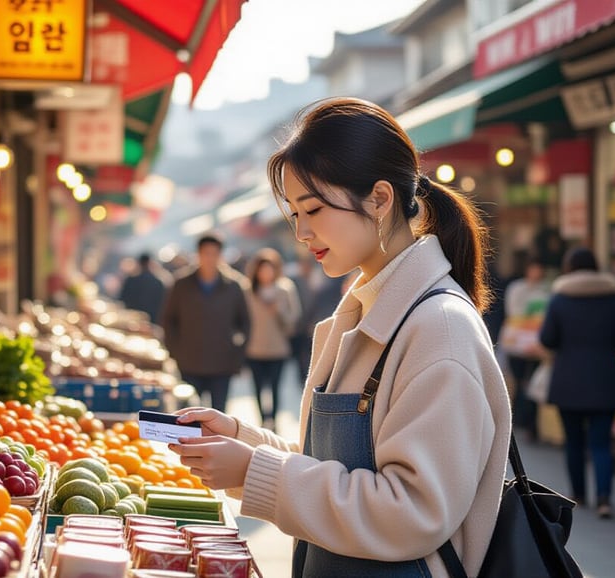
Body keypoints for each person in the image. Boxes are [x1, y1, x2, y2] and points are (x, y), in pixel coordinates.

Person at [169, 98, 511, 577]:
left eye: (313, 209)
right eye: (294, 214)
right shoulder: (365, 310)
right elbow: (334, 467)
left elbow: (412, 512)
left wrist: (253, 470)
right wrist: (245, 441)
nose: (302, 232)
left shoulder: (440, 329)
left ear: (380, 199)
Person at [539, 247, 615, 519]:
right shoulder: (613, 299)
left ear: (569, 268)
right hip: (605, 379)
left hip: (568, 381)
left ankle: (578, 495)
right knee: (602, 444)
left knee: (574, 442)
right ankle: (605, 499)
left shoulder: (559, 300)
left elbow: (547, 339)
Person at [162, 232, 250, 413]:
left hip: (222, 363)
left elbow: (245, 323)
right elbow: (168, 319)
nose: (210, 258)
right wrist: (175, 351)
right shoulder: (181, 284)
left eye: (214, 254)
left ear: (220, 255)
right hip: (189, 362)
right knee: (190, 415)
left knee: (218, 417)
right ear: (198, 254)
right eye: (205, 253)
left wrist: (237, 354)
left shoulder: (233, 286)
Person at [244, 248, 301, 431]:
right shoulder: (249, 291)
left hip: (278, 349)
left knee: (275, 388)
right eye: (262, 269)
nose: (265, 273)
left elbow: (294, 318)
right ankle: (262, 420)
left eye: (269, 269)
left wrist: (279, 312)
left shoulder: (285, 289)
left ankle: (274, 421)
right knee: (258, 388)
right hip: (255, 349)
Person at [502, 255, 550, 439]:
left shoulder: (546, 290)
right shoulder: (517, 288)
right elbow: (514, 312)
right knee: (520, 382)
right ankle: (519, 421)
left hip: (537, 345)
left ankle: (530, 424)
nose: (537, 272)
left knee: (532, 384)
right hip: (517, 344)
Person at [118, 252, 170, 324]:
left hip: (131, 321)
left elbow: (122, 299)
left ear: (139, 263)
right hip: (150, 322)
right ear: (149, 263)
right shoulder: (158, 283)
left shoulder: (131, 280)